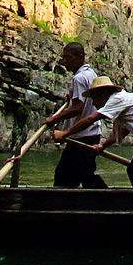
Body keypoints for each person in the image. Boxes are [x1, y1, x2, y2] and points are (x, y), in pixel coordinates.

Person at [40, 42, 107, 188]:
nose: (65, 61)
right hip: (92, 133)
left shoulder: (79, 78)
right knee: (84, 174)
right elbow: (82, 101)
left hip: (82, 135)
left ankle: (106, 200)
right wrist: (72, 97)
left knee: (65, 177)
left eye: (68, 57)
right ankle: (99, 201)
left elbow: (78, 108)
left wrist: (54, 119)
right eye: (63, 57)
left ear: (79, 57)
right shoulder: (91, 74)